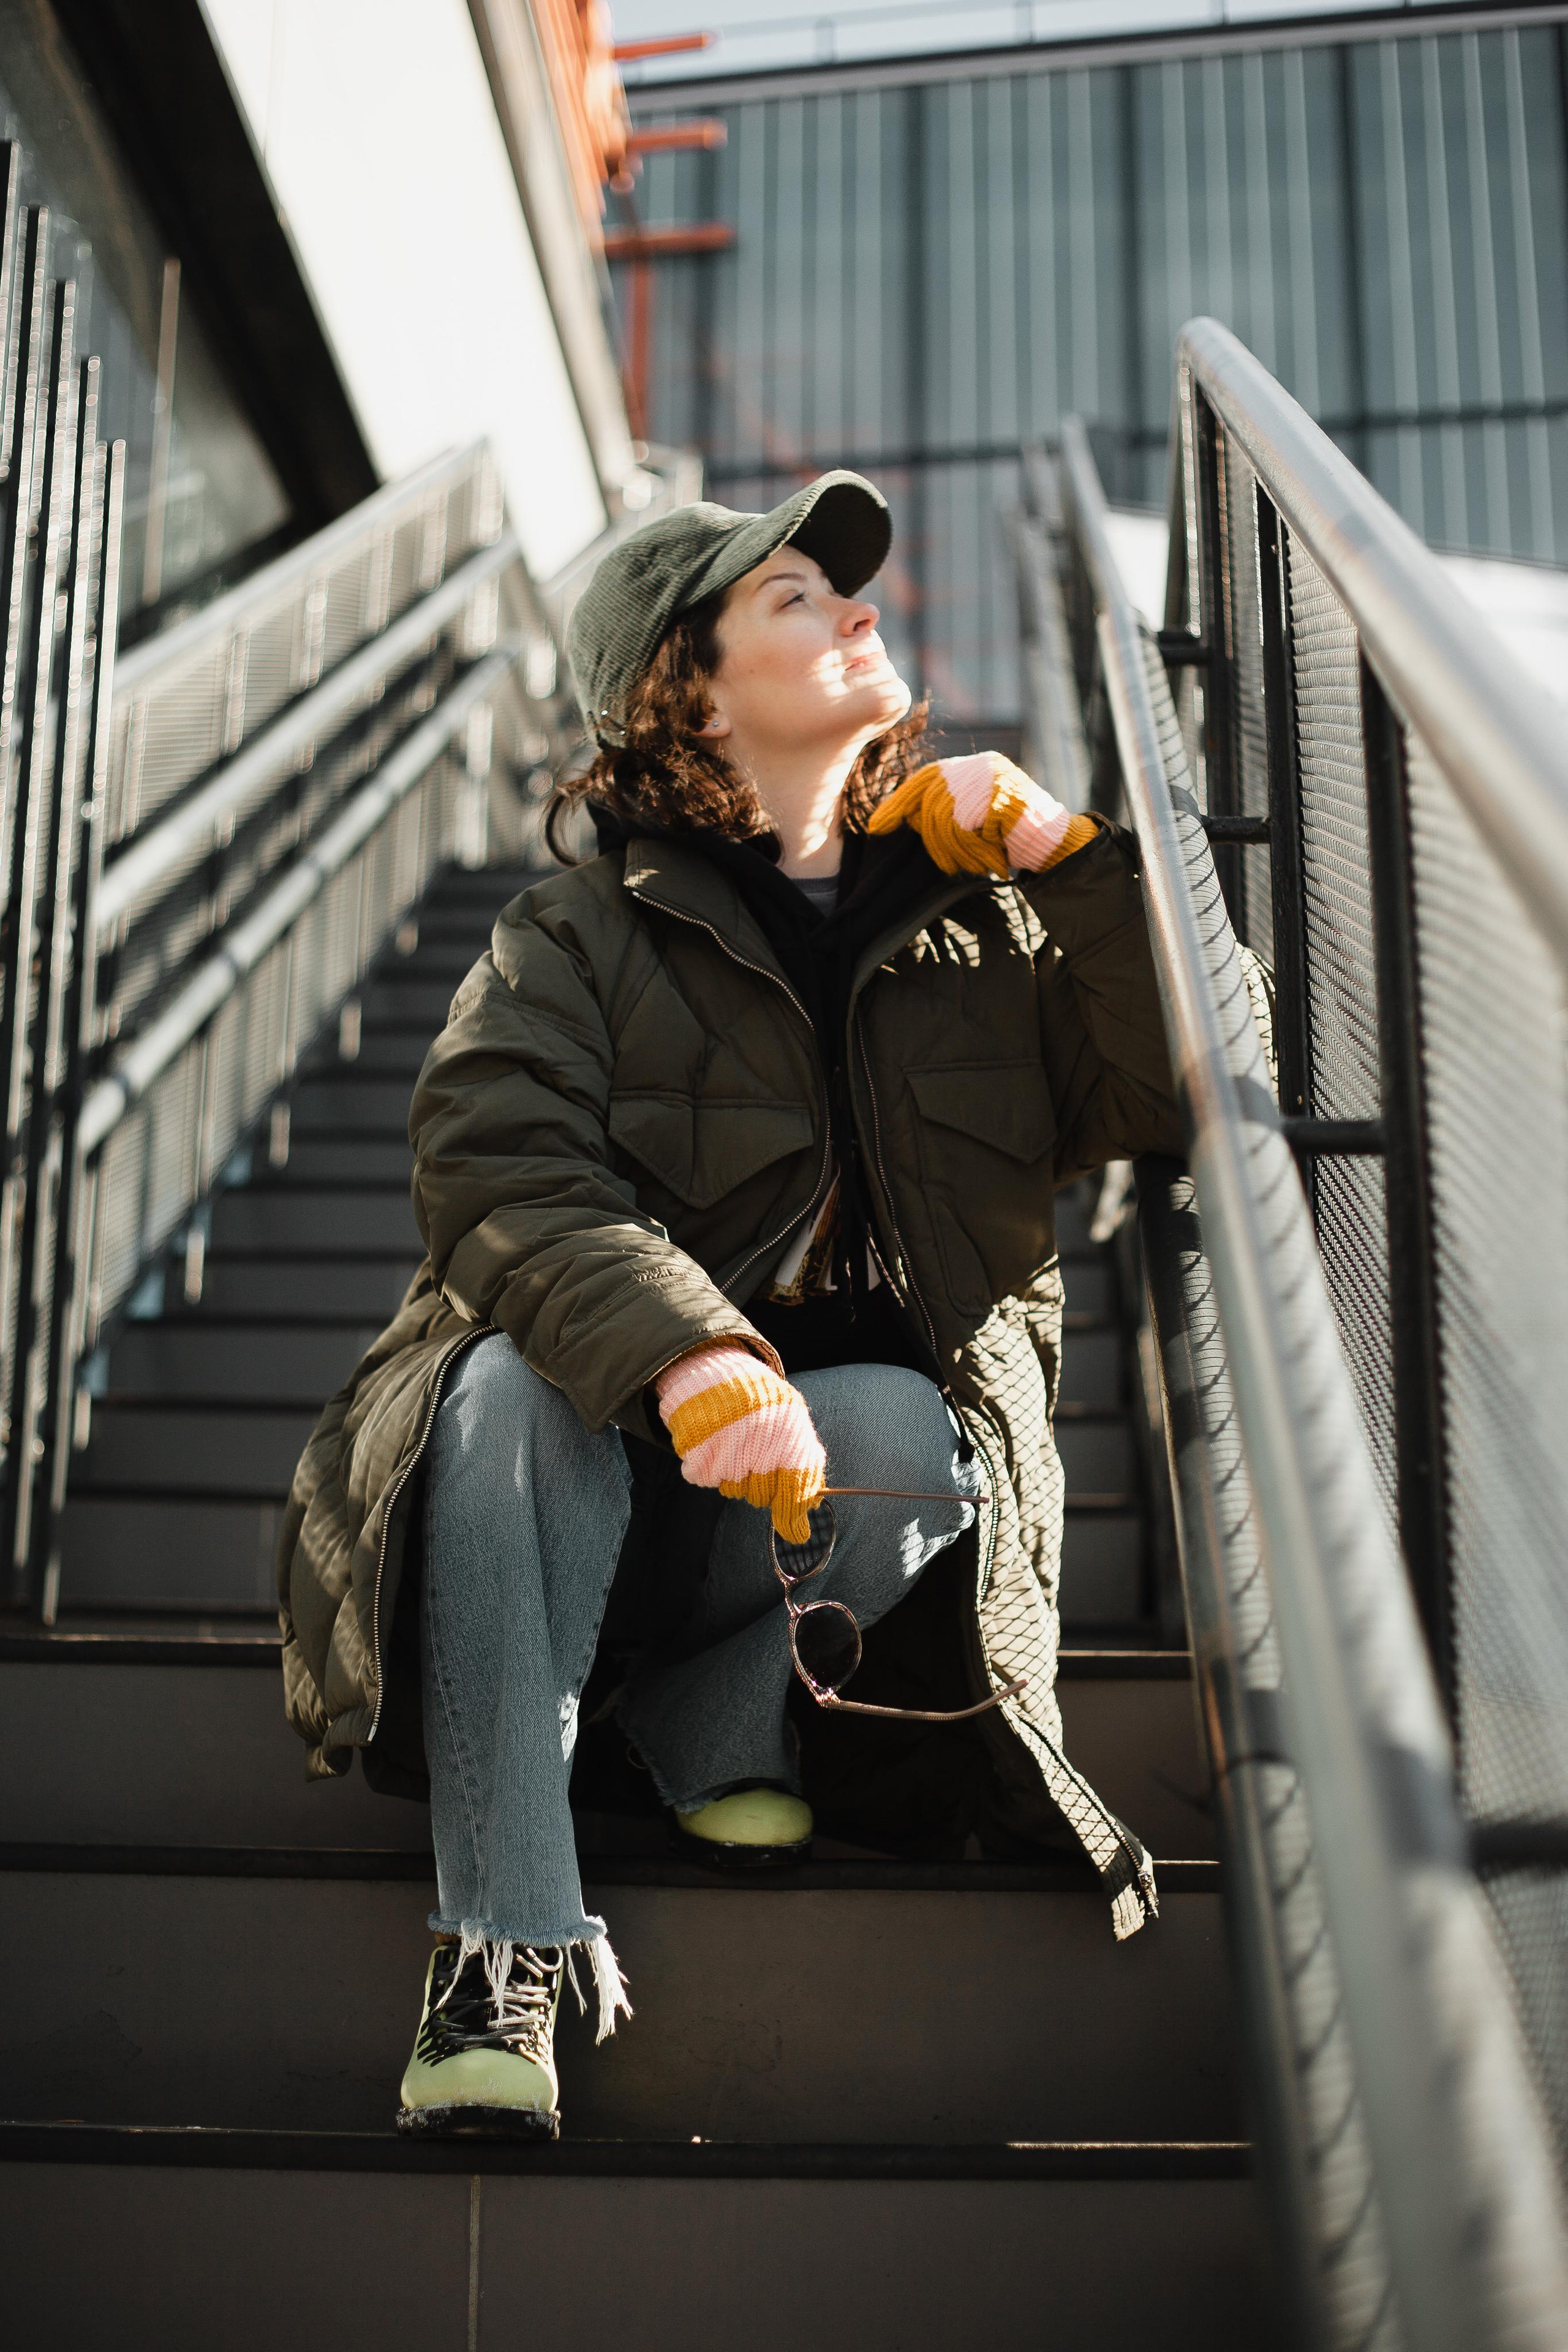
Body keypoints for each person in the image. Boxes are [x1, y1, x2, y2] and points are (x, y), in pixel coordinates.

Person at [276, 470, 1183, 2141]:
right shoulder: (575, 933)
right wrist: (692, 1353)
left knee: (912, 1432)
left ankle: (709, 1714)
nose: (859, 607)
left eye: (850, 592)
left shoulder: (980, 922)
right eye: (795, 596)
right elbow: (498, 1155)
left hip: (783, 1526)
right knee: (508, 1390)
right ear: (683, 690)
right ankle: (502, 1942)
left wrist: (1078, 865)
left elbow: (1204, 1088)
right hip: (557, 1481)